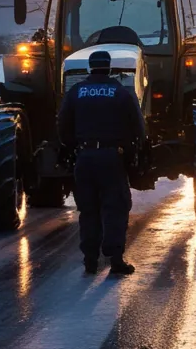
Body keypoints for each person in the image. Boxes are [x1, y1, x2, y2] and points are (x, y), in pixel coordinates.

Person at [58, 50, 146, 275]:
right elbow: (137, 126)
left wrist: (72, 149)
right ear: (109, 68)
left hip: (84, 158)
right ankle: (115, 259)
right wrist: (130, 151)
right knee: (114, 208)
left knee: (88, 210)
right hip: (111, 158)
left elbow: (63, 125)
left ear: (90, 68)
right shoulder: (121, 92)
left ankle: (90, 260)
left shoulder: (76, 92)